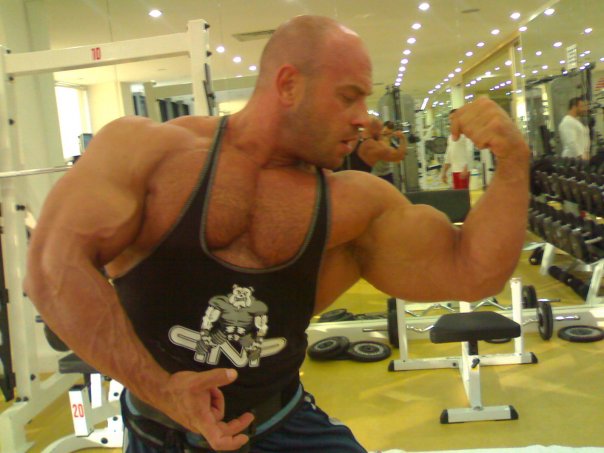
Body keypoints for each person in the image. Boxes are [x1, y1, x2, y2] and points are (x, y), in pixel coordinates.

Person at [24, 15, 530, 453]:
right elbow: (52, 270)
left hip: (282, 425)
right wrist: (163, 390)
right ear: (289, 85)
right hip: (160, 432)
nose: (363, 119)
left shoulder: (354, 203)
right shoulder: (148, 152)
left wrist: (513, 162)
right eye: (349, 97)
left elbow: (472, 271)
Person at [339, 117, 405, 174]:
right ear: (374, 130)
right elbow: (398, 156)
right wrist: (402, 138)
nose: (381, 132)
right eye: (380, 130)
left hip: (347, 176)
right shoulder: (371, 145)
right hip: (360, 180)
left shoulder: (356, 138)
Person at [441, 109, 475, 190]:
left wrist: (466, 169)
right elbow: (448, 156)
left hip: (464, 171)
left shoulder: (466, 134)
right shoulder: (450, 137)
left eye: (453, 118)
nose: (451, 121)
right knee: (457, 194)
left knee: (463, 195)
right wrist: (444, 172)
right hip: (454, 171)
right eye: (450, 119)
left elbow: (470, 152)